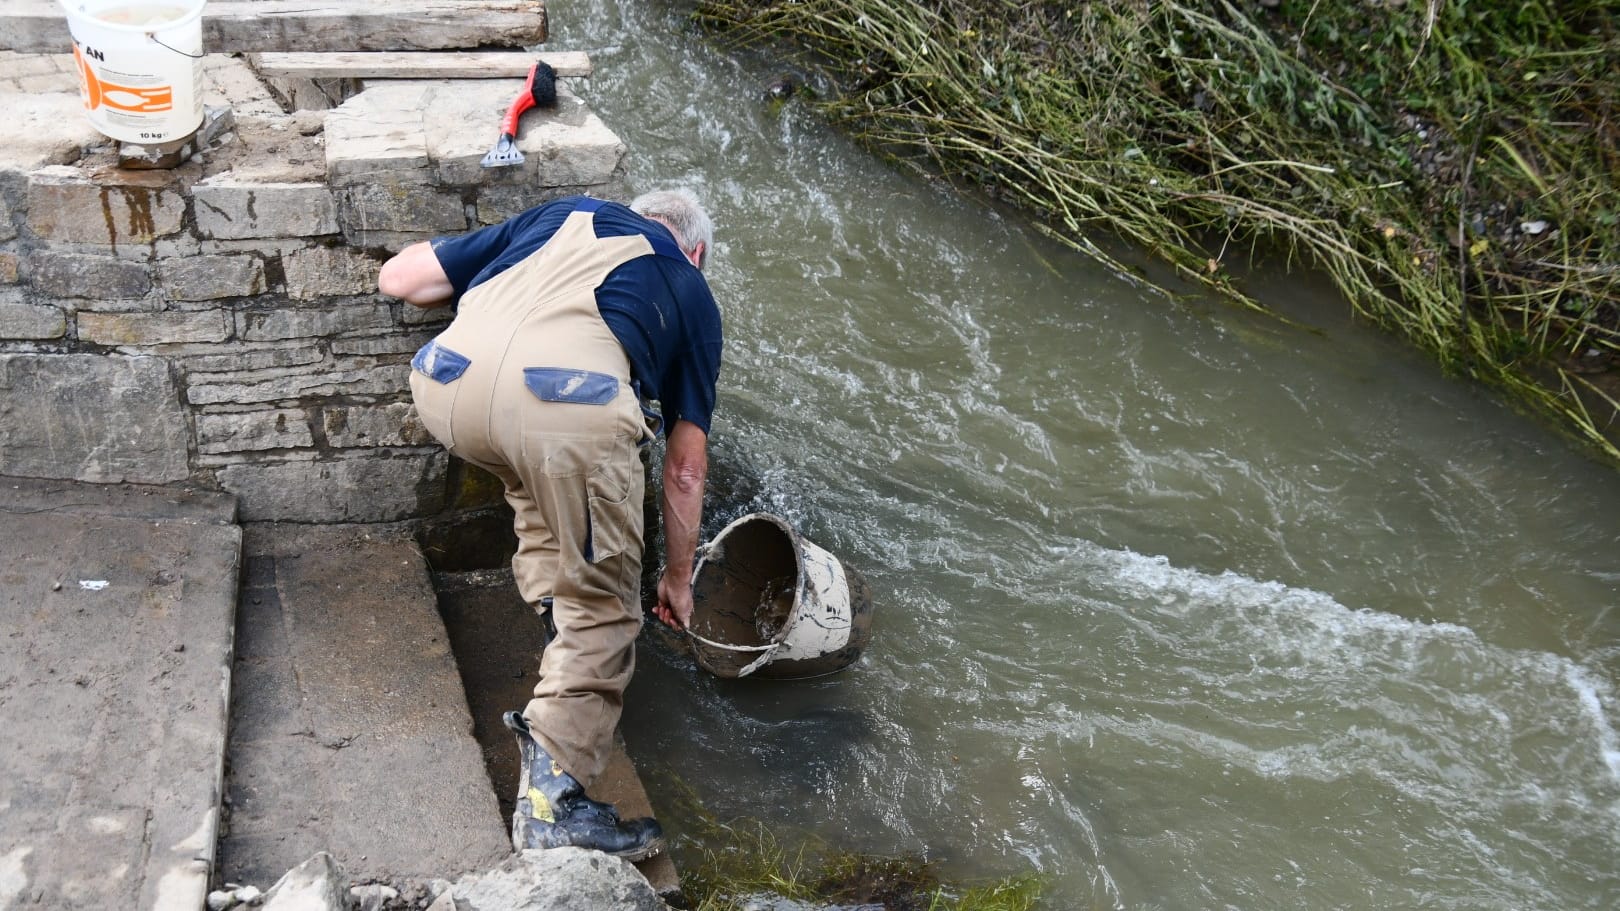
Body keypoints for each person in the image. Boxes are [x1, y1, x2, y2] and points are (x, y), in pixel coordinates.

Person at [377, 190, 723, 860]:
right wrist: (677, 577)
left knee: (538, 487)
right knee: (605, 602)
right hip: (562, 409)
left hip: (447, 388)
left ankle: (554, 630)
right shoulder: (690, 288)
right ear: (697, 252)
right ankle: (553, 803)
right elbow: (684, 468)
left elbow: (402, 278)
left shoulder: (558, 215)